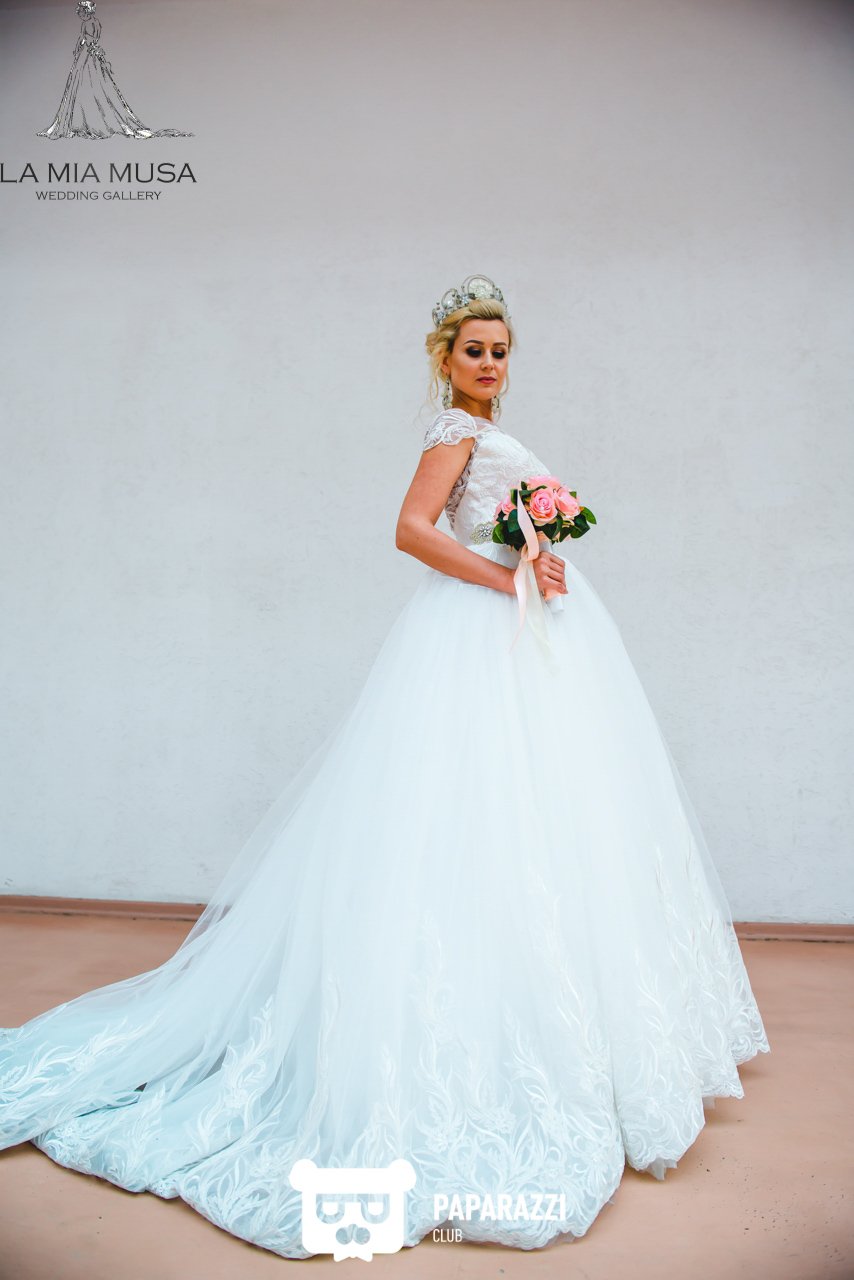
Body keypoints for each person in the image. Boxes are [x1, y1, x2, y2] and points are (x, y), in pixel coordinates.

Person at [0, 275, 770, 1260]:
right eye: (473, 349)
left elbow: (494, 526)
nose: (489, 363)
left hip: (522, 637)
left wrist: (538, 555)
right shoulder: (452, 430)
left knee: (543, 820)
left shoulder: (486, 432)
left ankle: (567, 1026)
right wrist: (503, 577)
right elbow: (411, 529)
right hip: (474, 637)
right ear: (444, 357)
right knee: (465, 815)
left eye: (500, 350)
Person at [37, 0, 192, 141]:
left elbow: (86, 40)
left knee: (86, 86)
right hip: (92, 56)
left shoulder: (88, 23)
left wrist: (80, 49)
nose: (79, 14)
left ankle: (89, 122)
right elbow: (88, 39)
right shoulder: (94, 22)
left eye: (81, 11)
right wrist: (83, 48)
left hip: (87, 57)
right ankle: (85, 121)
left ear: (86, 12)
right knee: (93, 87)